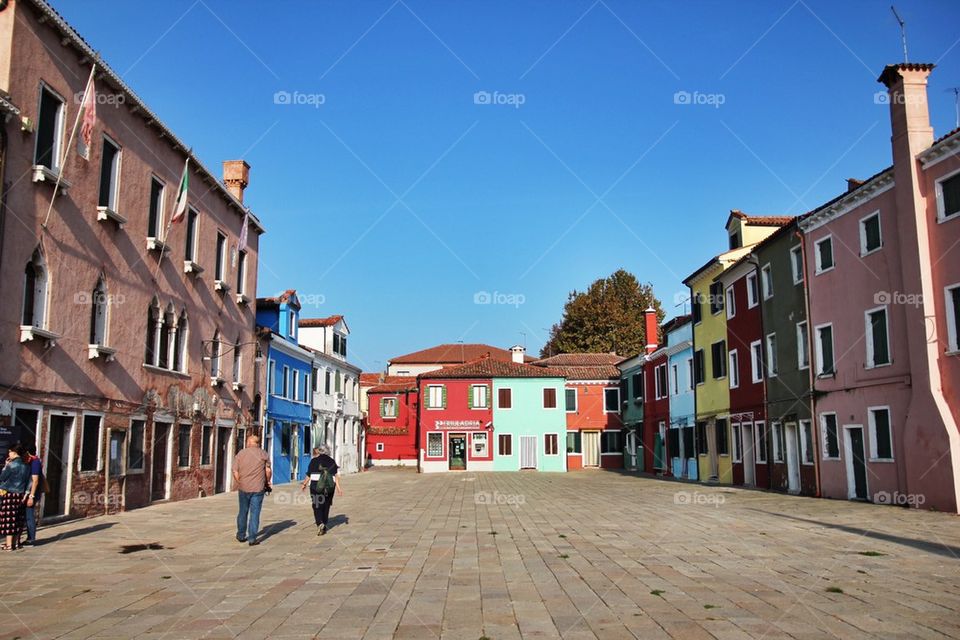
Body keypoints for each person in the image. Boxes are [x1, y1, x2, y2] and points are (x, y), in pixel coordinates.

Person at [232, 433, 271, 546]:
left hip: (243, 487)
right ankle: (252, 538)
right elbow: (268, 471)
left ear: (249, 443)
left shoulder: (240, 454)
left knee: (243, 511)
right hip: (258, 488)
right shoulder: (263, 453)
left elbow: (235, 471)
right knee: (255, 513)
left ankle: (241, 535)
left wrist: (240, 482)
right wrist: (267, 482)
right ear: (257, 443)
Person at [300, 446, 342, 535]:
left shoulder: (314, 461)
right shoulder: (332, 461)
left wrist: (304, 484)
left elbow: (309, 474)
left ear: (319, 452)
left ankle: (319, 522)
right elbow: (336, 475)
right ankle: (324, 523)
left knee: (316, 504)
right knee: (326, 505)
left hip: (316, 486)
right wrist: (338, 488)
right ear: (328, 452)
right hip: (329, 487)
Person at [0, 444, 31, 551]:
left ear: (14, 452)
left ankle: (9, 545)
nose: (9, 454)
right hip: (21, 495)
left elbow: (2, 478)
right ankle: (16, 543)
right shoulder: (26, 466)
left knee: (9, 521)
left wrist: (5, 466)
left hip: (10, 494)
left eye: (10, 452)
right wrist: (26, 495)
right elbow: (29, 482)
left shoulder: (11, 465)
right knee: (18, 520)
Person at [23, 445, 43, 546]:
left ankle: (31, 539)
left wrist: (31, 496)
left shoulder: (35, 462)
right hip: (29, 492)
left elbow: (35, 481)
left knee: (29, 516)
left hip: (32, 493)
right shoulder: (32, 461)